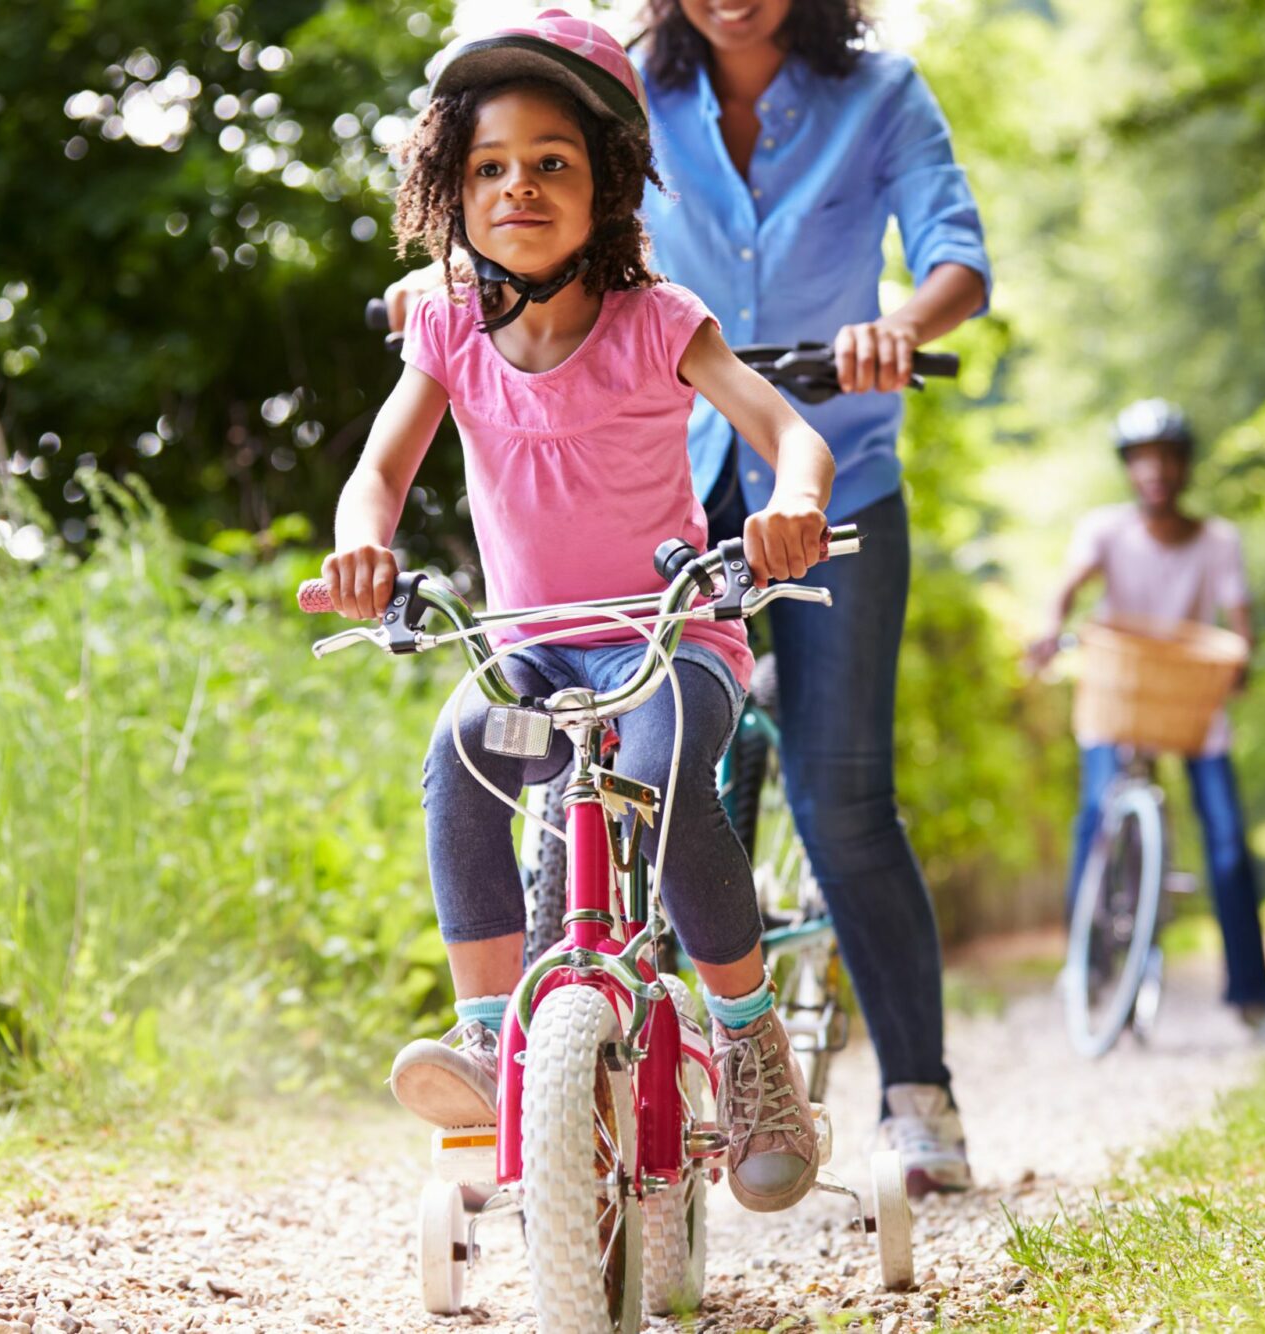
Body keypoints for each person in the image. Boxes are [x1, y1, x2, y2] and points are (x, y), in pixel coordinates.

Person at [385, 0, 992, 1196]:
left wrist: (895, 325)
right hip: (655, 484)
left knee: (839, 795)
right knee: (577, 779)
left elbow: (953, 254)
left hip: (823, 484)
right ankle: (561, 1068)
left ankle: (905, 1089)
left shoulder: (877, 94)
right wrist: (437, 285)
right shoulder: (613, 85)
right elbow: (502, 198)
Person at [323, 10, 842, 1213]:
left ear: (606, 183)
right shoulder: (447, 327)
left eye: (551, 162)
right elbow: (379, 473)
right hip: (527, 647)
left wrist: (791, 506)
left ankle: (751, 1047)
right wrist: (362, 547)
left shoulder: (658, 319)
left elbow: (788, 434)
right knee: (458, 762)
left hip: (668, 631)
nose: (517, 186)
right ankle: (491, 1027)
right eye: (489, 167)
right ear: (449, 188)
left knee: (664, 791)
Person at [1024, 399, 1265, 1034]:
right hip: (1122, 695)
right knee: (1095, 814)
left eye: (1168, 460)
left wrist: (1242, 657)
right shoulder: (1105, 531)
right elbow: (1068, 588)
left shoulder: (1218, 540)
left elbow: (1238, 615)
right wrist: (1051, 628)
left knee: (1226, 845)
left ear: (1185, 469)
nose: (1156, 472)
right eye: (1143, 461)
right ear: (1129, 470)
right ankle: (1084, 966)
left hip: (1190, 700)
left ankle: (1253, 996)